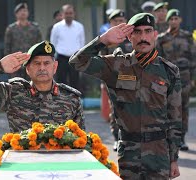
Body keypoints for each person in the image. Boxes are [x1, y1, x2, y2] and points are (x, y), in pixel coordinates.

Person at [69, 13, 182, 179]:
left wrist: (174, 158)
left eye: (148, 31)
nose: (143, 37)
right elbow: (77, 61)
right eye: (137, 32)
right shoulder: (116, 65)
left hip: (159, 153)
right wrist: (103, 40)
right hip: (129, 153)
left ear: (155, 35)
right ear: (129, 36)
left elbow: (175, 118)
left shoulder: (169, 71)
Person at [0, 41, 85, 132]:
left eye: (47, 63)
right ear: (28, 69)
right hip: (21, 161)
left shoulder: (71, 98)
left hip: (59, 161)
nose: (42, 68)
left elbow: (81, 139)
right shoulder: (13, 92)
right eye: (37, 63)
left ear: (55, 67)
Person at [157, 9, 195, 151]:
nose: (174, 21)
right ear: (168, 21)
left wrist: (193, 79)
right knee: (167, 109)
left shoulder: (187, 37)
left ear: (180, 20)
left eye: (176, 18)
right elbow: (157, 60)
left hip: (184, 78)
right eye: (171, 19)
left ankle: (182, 139)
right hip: (167, 78)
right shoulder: (161, 38)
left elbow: (193, 58)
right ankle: (168, 138)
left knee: (183, 108)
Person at [99, 9, 132, 152]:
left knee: (131, 110)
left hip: (132, 80)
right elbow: (102, 62)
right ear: (111, 22)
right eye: (116, 21)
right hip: (113, 80)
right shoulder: (107, 39)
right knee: (115, 110)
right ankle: (116, 139)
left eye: (121, 21)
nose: (119, 23)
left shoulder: (132, 37)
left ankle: (130, 139)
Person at [50, 4, 85, 90]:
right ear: (62, 14)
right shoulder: (57, 27)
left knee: (75, 82)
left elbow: (82, 44)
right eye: (66, 13)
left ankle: (74, 102)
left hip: (75, 58)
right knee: (60, 82)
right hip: (61, 58)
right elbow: (52, 43)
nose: (69, 15)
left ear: (74, 14)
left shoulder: (79, 27)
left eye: (70, 13)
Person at [4, 3, 42, 78]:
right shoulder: (11, 29)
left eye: (25, 10)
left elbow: (39, 45)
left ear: (28, 13)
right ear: (16, 14)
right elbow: (7, 48)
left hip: (31, 62)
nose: (23, 13)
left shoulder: (35, 28)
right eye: (20, 11)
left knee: (32, 86)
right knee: (15, 86)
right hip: (16, 64)